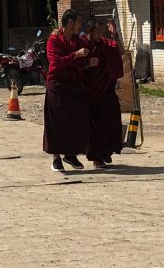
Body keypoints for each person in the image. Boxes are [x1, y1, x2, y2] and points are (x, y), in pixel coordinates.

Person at [43, 9, 94, 172]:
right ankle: (56, 157)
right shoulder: (54, 40)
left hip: (73, 86)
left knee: (76, 121)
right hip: (57, 86)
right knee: (56, 123)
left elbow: (85, 51)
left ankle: (71, 154)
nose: (80, 27)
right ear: (70, 23)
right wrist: (75, 55)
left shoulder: (76, 40)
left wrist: (88, 63)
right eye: (79, 23)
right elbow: (56, 64)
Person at [84, 19, 124, 169]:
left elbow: (120, 50)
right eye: (98, 32)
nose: (100, 35)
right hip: (92, 91)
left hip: (107, 88)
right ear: (90, 32)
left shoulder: (105, 44)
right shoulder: (84, 45)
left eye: (102, 32)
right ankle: (96, 158)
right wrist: (88, 64)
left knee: (112, 120)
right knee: (96, 125)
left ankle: (107, 151)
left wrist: (115, 35)